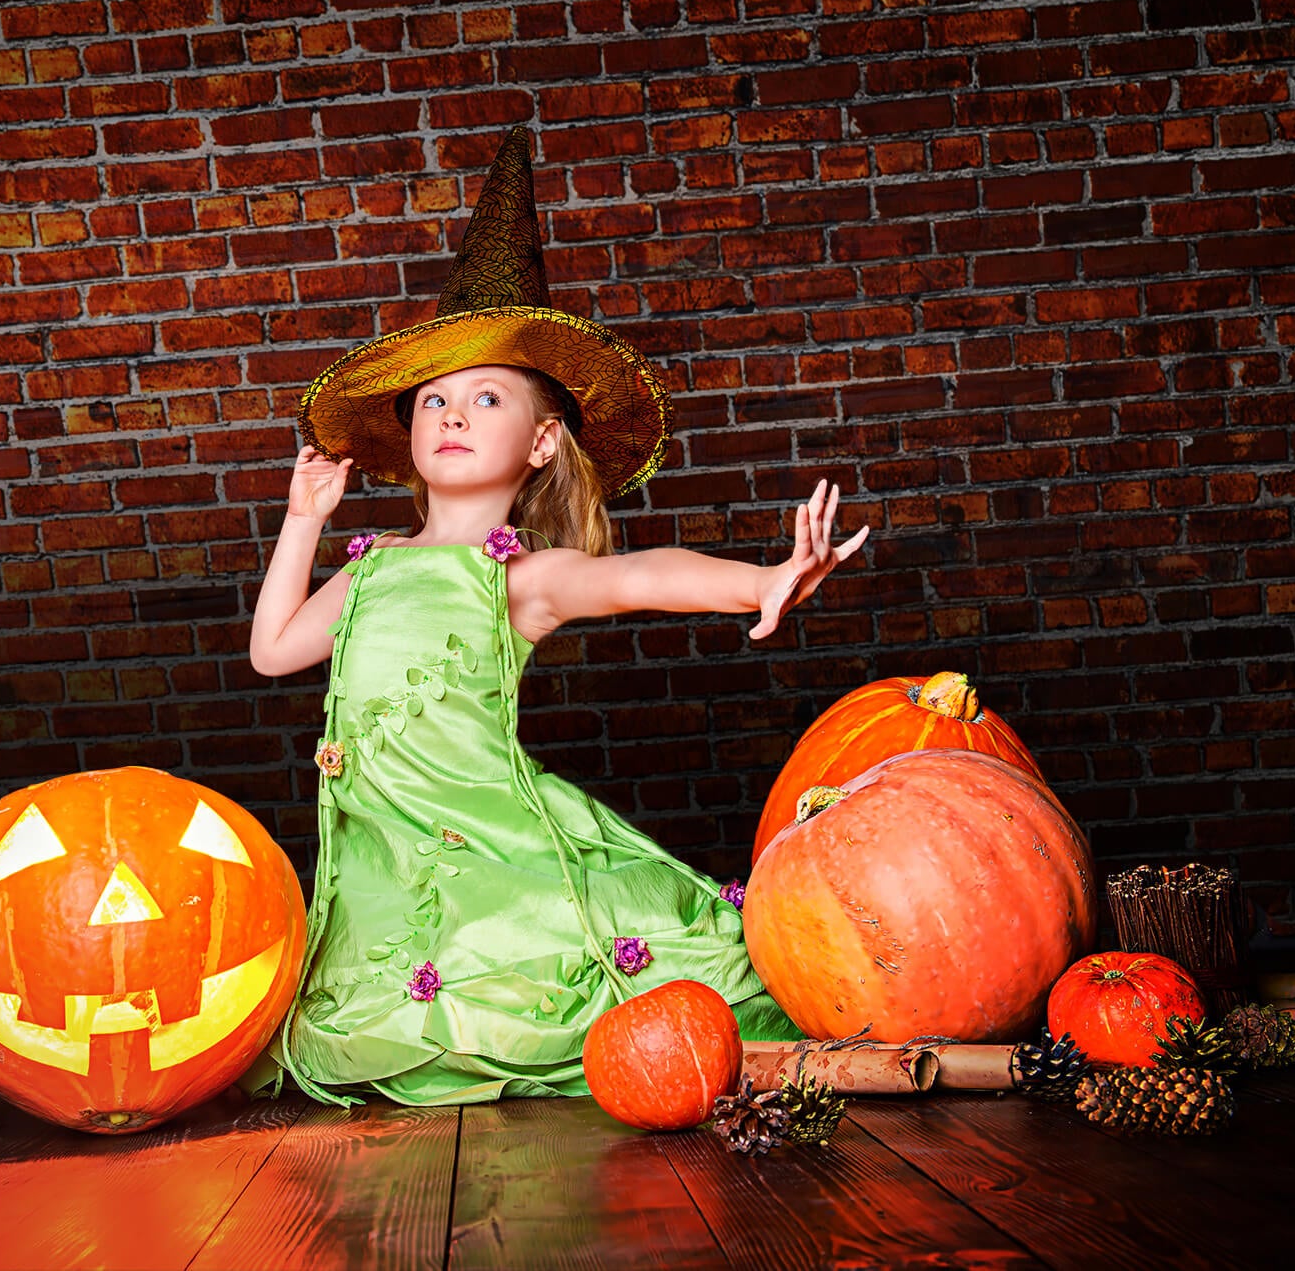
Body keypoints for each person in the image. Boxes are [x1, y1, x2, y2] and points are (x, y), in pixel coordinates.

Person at [238, 127, 868, 1108]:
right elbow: (273, 651)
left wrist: (759, 582)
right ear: (405, 434)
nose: (449, 415)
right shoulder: (366, 573)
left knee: (578, 973)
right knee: (388, 1012)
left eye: (483, 398)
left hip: (498, 846)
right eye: (433, 400)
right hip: (384, 866)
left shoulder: (519, 578)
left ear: (537, 443)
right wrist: (301, 521)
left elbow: (640, 577)